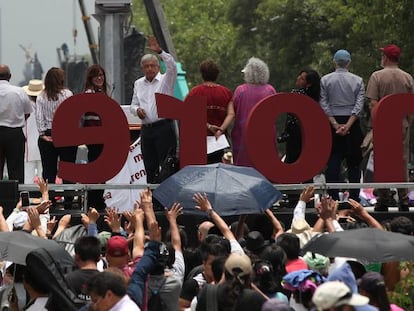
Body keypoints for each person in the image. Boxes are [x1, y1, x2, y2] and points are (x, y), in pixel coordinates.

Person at [366, 44, 414, 212]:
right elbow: (410, 106)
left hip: (383, 124)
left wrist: (376, 125)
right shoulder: (407, 78)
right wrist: (407, 123)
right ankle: (403, 199)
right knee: (402, 160)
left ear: (385, 58)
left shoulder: (377, 76)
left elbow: (373, 103)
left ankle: (384, 198)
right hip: (402, 125)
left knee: (383, 160)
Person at [129, 36, 177, 184]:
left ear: (158, 66)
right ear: (142, 68)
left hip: (163, 127)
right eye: (146, 66)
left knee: (167, 165)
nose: (149, 68)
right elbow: (133, 105)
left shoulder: (165, 80)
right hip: (147, 130)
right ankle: (152, 201)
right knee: (149, 166)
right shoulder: (138, 83)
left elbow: (172, 66)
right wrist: (137, 110)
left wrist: (160, 52)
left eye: (152, 65)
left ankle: (166, 202)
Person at [320, 49, 365, 201]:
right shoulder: (358, 80)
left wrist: (335, 125)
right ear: (349, 63)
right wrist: (348, 125)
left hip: (333, 123)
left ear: (334, 62)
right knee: (354, 163)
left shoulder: (325, 80)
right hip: (352, 124)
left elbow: (324, 103)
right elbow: (359, 105)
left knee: (333, 161)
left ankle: (332, 197)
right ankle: (353, 198)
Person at [186, 59, 234, 163]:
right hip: (218, 140)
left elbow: (189, 115)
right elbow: (231, 114)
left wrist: (208, 126)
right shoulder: (226, 92)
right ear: (217, 74)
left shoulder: (195, 92)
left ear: (202, 74)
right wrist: (221, 129)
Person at [231, 57, 277, 166]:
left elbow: (233, 110)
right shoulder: (270, 90)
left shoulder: (240, 90)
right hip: (265, 133)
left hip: (243, 134)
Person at [35, 67, 77, 184]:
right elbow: (72, 115)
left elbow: (39, 117)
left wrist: (42, 133)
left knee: (48, 171)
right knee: (68, 169)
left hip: (48, 135)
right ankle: (69, 199)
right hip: (66, 134)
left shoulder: (41, 96)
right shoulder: (67, 94)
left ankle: (49, 198)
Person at [196, 252, 266, 311]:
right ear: (249, 276)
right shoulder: (254, 298)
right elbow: (274, 307)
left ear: (224, 273)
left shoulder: (208, 292)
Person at [0, 64, 33, 183]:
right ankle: (16, 199)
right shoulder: (19, 91)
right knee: (16, 170)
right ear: (9, 76)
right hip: (14, 134)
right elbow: (27, 112)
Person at [83, 64, 109, 209]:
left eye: (101, 75)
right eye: (96, 76)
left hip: (102, 136)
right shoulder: (89, 93)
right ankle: (95, 201)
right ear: (91, 78)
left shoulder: (101, 93)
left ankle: (98, 199)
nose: (99, 78)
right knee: (96, 168)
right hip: (94, 136)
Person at [281, 69, 321, 163]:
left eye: (302, 78)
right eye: (299, 75)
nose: (298, 78)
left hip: (294, 133)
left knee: (291, 161)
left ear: (308, 84)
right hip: (310, 133)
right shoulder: (316, 98)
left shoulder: (296, 94)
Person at [22, 79, 44, 184]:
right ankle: (43, 197)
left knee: (28, 174)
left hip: (29, 144)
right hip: (42, 142)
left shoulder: (25, 106)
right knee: (43, 173)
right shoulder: (44, 104)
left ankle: (27, 197)